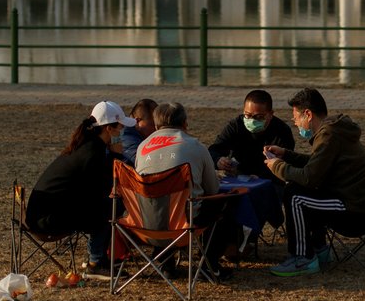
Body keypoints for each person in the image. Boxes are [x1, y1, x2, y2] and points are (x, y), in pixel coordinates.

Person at [264, 88, 365, 277]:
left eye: (296, 117)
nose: (294, 122)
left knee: (294, 196)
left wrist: (277, 166)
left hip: (354, 210)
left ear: (308, 114)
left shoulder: (329, 134)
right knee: (301, 191)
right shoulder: (334, 129)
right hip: (363, 201)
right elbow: (316, 164)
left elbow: (310, 177)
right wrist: (286, 154)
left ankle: (303, 258)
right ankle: (319, 248)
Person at [25, 100, 135, 277]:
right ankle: (96, 261)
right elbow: (100, 190)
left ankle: (96, 257)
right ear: (109, 129)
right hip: (47, 222)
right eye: (120, 127)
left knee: (105, 203)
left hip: (41, 215)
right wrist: (116, 155)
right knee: (112, 204)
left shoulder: (87, 145)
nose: (121, 131)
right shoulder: (93, 152)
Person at [135, 102, 235, 279]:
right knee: (223, 202)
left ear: (156, 126)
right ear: (185, 124)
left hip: (146, 224)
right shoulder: (196, 147)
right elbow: (212, 189)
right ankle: (209, 264)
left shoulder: (142, 147)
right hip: (184, 225)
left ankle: (166, 263)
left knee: (161, 203)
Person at [208, 89, 295, 182]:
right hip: (239, 176)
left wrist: (262, 177)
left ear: (270, 114)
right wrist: (218, 160)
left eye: (259, 117)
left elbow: (285, 164)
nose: (252, 120)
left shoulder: (282, 131)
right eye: (248, 115)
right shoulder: (236, 126)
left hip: (270, 180)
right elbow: (214, 150)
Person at [118, 98, 157, 165]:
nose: (156, 129)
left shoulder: (134, 134)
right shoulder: (126, 136)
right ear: (137, 121)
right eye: (152, 124)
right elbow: (143, 162)